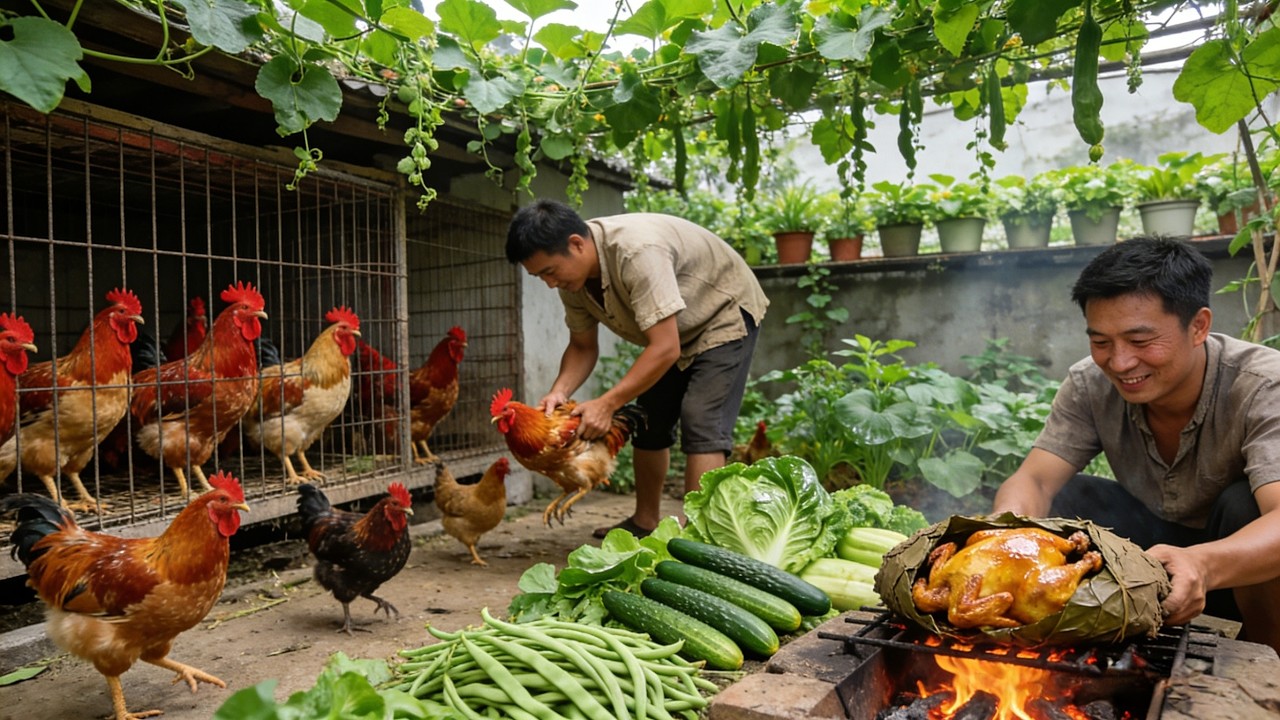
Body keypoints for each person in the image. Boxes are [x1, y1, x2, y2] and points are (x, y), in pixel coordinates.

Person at [991, 235, 1280, 653]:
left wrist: (1202, 564)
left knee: (1244, 506)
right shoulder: (1090, 384)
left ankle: (1267, 662)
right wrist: (1003, 537)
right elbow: (1034, 480)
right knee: (1068, 498)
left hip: (1238, 572)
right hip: (1150, 561)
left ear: (1198, 326)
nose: (1120, 362)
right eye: (1101, 342)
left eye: (1141, 341)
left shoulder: (1264, 386)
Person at [505, 199, 768, 539]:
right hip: (675, 330)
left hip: (722, 313)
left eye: (550, 271)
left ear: (576, 244)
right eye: (539, 276)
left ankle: (699, 538)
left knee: (702, 419)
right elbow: (583, 347)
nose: (549, 283)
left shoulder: (637, 253)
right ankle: (645, 521)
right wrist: (559, 391)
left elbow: (665, 347)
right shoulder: (574, 281)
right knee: (649, 417)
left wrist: (607, 403)